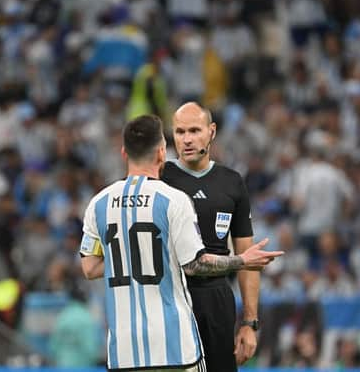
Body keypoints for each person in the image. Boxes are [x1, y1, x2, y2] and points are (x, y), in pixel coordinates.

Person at [80, 115, 282, 371]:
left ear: (123, 153)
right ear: (162, 152)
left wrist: (135, 256)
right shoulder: (174, 200)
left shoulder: (98, 203)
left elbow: (89, 267)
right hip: (174, 347)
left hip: (124, 349)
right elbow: (195, 265)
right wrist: (242, 260)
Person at [160, 102, 260, 371]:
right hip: (170, 298)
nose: (187, 139)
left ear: (212, 132)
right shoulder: (159, 179)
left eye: (194, 130)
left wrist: (250, 323)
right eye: (180, 132)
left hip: (216, 298)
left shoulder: (231, 182)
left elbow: (247, 258)